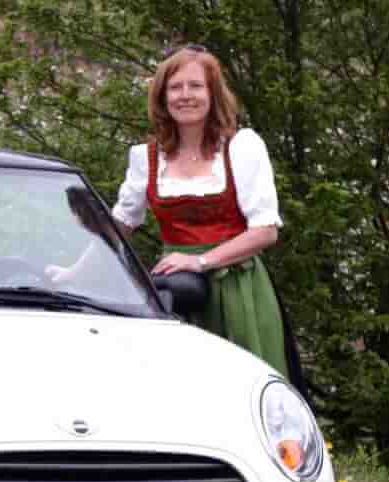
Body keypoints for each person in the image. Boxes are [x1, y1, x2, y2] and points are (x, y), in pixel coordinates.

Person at [49, 44, 299, 388]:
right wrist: (72, 274)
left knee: (243, 388)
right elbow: (120, 227)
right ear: (162, 96)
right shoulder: (146, 157)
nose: (185, 95)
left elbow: (265, 231)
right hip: (173, 289)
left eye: (195, 86)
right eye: (175, 87)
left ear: (213, 94)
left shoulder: (241, 148)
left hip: (237, 289)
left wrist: (200, 262)